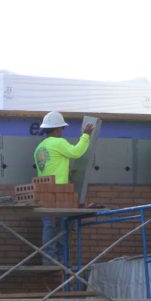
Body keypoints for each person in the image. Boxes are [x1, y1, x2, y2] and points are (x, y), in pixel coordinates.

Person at [34, 111, 94, 265]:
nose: (62, 131)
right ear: (57, 129)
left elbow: (50, 166)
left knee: (49, 224)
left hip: (43, 191)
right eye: (61, 128)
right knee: (60, 226)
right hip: (58, 192)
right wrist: (86, 135)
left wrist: (66, 171)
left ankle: (49, 259)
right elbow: (76, 152)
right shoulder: (58, 143)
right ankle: (61, 260)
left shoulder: (40, 147)